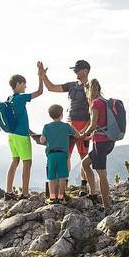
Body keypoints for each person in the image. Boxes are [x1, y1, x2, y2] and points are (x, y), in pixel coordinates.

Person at [40, 59, 92, 195]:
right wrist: (43, 76)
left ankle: (84, 186)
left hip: (84, 124)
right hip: (69, 125)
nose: (75, 72)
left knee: (83, 156)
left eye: (77, 69)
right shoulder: (71, 85)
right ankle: (65, 185)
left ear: (85, 71)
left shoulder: (92, 87)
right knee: (66, 155)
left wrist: (87, 127)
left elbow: (94, 109)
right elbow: (51, 88)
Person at [4, 62, 44, 201]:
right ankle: (25, 193)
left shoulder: (9, 99)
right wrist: (41, 76)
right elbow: (40, 92)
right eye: (24, 84)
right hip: (21, 136)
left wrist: (32, 133)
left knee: (15, 161)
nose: (25, 87)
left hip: (12, 135)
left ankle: (8, 192)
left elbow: (19, 120)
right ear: (18, 84)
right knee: (27, 163)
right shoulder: (21, 98)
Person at [80, 78, 113, 211]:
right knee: (85, 163)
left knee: (101, 174)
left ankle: (106, 207)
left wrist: (83, 135)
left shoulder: (95, 103)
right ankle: (93, 194)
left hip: (100, 142)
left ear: (90, 90)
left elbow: (93, 125)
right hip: (109, 140)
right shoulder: (106, 102)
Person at [39, 104, 81, 204]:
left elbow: (42, 140)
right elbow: (77, 135)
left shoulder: (46, 127)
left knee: (51, 177)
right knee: (62, 177)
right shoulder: (66, 126)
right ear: (62, 115)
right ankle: (61, 197)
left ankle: (52, 198)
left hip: (51, 155)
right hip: (63, 155)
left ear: (50, 116)